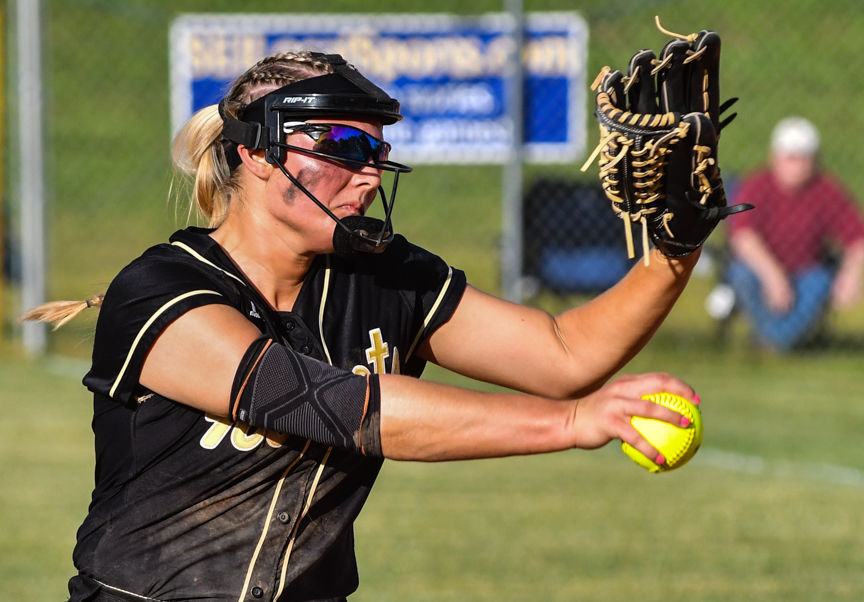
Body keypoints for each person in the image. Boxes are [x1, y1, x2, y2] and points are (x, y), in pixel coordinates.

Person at [25, 51, 702, 601]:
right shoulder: (161, 289)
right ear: (257, 152)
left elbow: (564, 354)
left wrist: (676, 249)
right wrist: (572, 423)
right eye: (346, 145)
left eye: (378, 152)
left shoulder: (382, 275)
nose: (371, 175)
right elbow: (343, 409)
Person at [725, 116, 864, 351]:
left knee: (820, 281)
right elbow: (743, 236)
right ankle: (774, 340)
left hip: (807, 272)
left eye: (803, 158)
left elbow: (857, 237)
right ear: (775, 157)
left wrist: (851, 274)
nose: (796, 166)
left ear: (815, 160)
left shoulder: (825, 190)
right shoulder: (757, 186)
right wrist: (774, 276)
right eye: (790, 158)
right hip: (761, 269)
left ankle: (775, 343)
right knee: (741, 275)